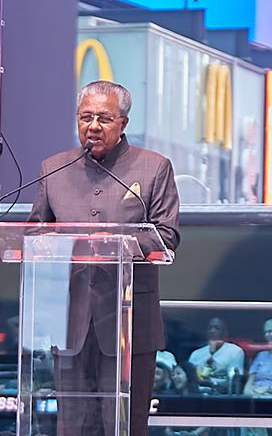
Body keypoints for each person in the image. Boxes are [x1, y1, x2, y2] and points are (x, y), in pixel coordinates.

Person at [28, 80, 181, 436]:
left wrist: (114, 244)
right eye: (85, 117)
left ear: (123, 122)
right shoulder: (54, 168)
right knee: (73, 426)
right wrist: (47, 244)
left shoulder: (154, 168)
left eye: (103, 118)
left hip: (130, 325)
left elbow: (167, 234)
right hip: (69, 324)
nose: (93, 126)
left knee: (124, 425)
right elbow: (35, 234)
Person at [187, 317, 245, 394]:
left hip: (222, 396)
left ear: (225, 333)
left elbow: (234, 383)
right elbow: (188, 380)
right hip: (197, 395)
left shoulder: (235, 351)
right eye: (210, 328)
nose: (212, 331)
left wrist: (211, 383)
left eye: (217, 328)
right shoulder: (196, 354)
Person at [243, 316, 272, 399]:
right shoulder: (261, 355)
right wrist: (251, 394)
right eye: (265, 332)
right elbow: (248, 384)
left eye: (270, 331)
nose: (266, 335)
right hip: (256, 397)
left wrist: (267, 389)